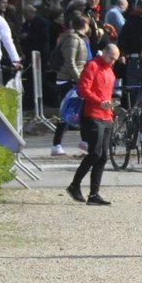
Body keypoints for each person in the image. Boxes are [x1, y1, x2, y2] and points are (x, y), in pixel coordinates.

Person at [66, 40, 118, 206]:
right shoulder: (93, 65)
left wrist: (109, 107)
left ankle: (94, 193)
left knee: (103, 156)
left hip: (106, 115)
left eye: (115, 59)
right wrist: (99, 101)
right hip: (93, 114)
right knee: (95, 153)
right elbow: (83, 89)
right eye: (111, 57)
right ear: (104, 52)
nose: (113, 61)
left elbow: (106, 92)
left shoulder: (109, 69)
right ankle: (75, 185)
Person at [48, 15, 90, 156]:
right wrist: (79, 80)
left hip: (72, 79)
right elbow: (70, 62)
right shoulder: (73, 39)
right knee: (67, 113)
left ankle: (84, 142)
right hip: (68, 80)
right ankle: (56, 144)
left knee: (80, 111)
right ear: (84, 24)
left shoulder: (79, 38)